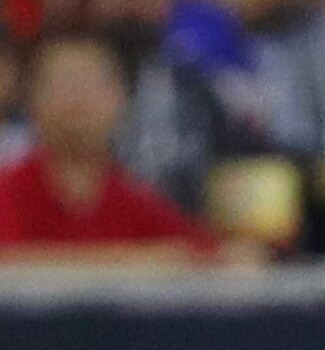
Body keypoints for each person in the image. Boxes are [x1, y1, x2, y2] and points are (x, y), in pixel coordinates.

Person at [0, 32, 211, 259]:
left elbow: (203, 254)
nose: (77, 100)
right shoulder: (8, 194)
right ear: (30, 100)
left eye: (92, 84)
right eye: (61, 84)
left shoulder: (138, 202)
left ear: (123, 99)